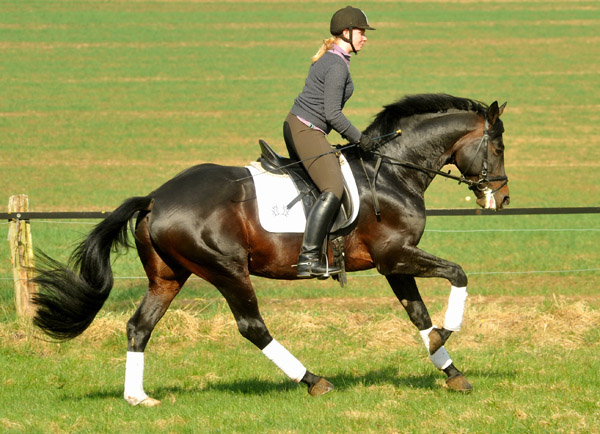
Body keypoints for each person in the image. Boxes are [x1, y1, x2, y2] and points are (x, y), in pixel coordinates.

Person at [283, 6, 376, 278]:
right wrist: (360, 138)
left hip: (302, 127)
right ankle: (308, 258)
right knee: (333, 187)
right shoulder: (336, 65)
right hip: (306, 130)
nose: (365, 38)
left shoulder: (335, 59)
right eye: (361, 32)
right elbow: (332, 114)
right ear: (346, 33)